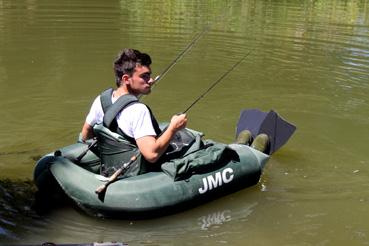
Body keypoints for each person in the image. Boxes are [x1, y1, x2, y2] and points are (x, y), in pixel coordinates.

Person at [81, 48, 187, 177]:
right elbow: (151, 155)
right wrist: (173, 128)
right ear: (126, 79)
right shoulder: (139, 110)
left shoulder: (101, 100)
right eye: (144, 76)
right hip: (135, 173)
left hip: (110, 167)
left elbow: (86, 134)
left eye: (149, 75)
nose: (151, 80)